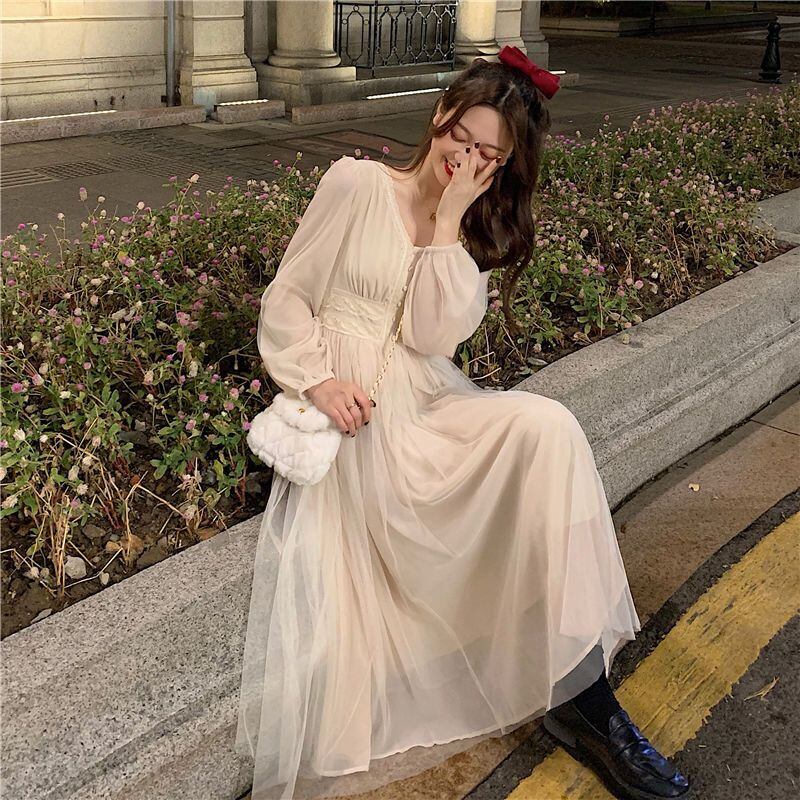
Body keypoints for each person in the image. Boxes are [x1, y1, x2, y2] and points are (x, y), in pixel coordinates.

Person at [235, 49, 691, 800]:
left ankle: (588, 701)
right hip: (360, 421)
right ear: (440, 114)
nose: (467, 159)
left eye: (489, 155)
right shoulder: (355, 183)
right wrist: (317, 378)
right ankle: (585, 705)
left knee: (548, 430)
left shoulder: (467, 231)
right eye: (462, 137)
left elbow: (430, 336)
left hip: (426, 407)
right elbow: (288, 297)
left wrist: (447, 220)